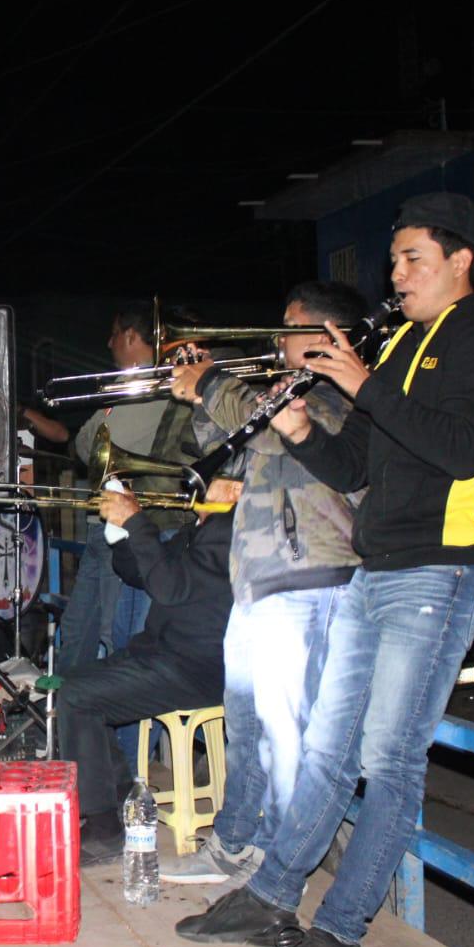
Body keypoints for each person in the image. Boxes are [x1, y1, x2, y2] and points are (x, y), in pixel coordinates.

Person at [175, 192, 474, 947]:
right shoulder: (408, 341)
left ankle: (337, 940)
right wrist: (304, 431)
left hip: (444, 565)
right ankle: (271, 898)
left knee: (386, 758)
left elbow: (460, 447)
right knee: (330, 748)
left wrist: (365, 384)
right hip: (379, 565)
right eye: (394, 260)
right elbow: (359, 469)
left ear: (459, 259)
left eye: (410, 258)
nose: (395, 274)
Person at [159, 282, 366, 895]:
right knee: (245, 728)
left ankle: (276, 863)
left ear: (328, 337)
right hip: (259, 580)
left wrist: (213, 383)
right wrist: (200, 398)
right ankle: (235, 843)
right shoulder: (275, 395)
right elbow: (217, 453)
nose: (276, 339)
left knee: (285, 738)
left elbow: (289, 432)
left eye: (290, 327)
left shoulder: (339, 395)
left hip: (308, 579)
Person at [57, 480, 237, 865]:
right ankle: (121, 800)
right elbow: (142, 576)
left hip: (193, 668)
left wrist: (137, 520)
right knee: (71, 684)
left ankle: (103, 826)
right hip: (162, 655)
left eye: (215, 482)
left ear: (237, 491)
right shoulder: (197, 532)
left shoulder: (231, 533)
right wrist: (120, 535)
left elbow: (169, 589)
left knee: (77, 697)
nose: (200, 488)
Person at [23, 303, 201, 668]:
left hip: (126, 526)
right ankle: (70, 713)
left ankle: (108, 717)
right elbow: (84, 441)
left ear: (132, 336)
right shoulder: (130, 384)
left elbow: (93, 445)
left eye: (115, 333)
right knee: (77, 630)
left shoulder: (151, 384)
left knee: (111, 632)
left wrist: (94, 432)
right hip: (103, 525)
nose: (109, 342)